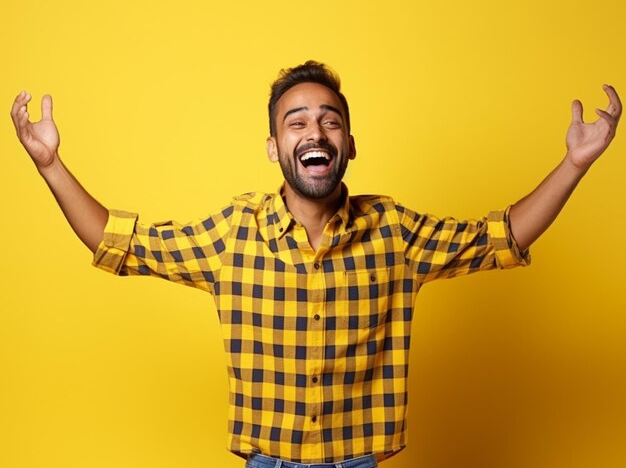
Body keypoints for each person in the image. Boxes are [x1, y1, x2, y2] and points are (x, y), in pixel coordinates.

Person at [10, 61, 621, 468]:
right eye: (296, 121)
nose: (316, 131)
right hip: (266, 462)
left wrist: (576, 163)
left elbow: (502, 236)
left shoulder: (395, 231)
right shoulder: (233, 233)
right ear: (276, 146)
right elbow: (121, 243)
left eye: (331, 120)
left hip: (360, 459)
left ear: (349, 143)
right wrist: (49, 165)